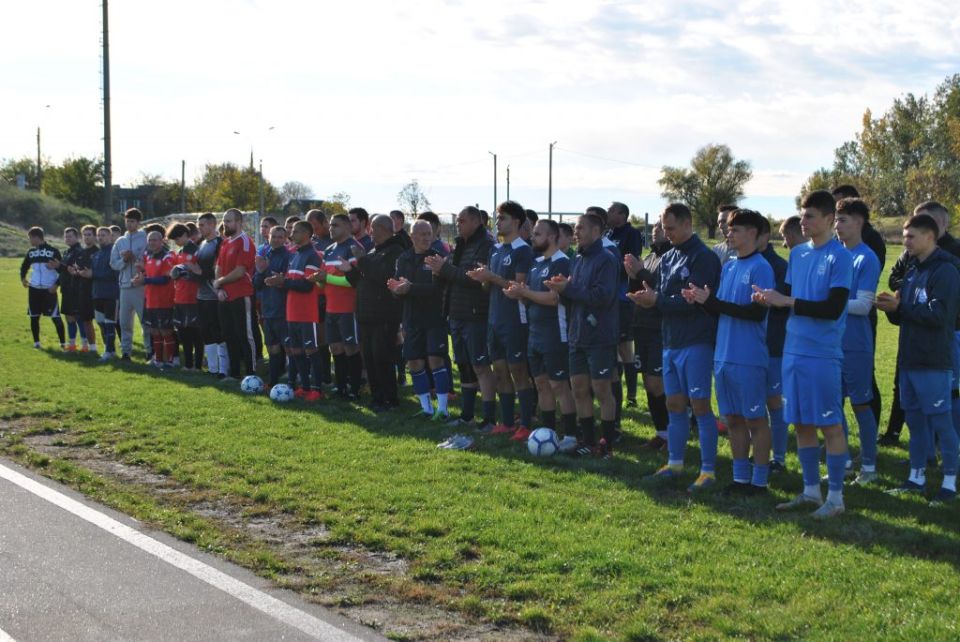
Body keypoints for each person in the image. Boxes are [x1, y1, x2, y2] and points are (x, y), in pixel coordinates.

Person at [754, 190, 853, 519]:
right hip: (793, 350)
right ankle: (811, 491)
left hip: (822, 353)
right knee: (802, 424)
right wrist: (770, 298)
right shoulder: (798, 256)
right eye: (802, 214)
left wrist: (788, 302)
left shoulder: (840, 257)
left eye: (810, 216)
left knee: (831, 426)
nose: (803, 221)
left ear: (828, 219)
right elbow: (793, 298)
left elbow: (833, 308)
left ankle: (836, 498)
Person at [683, 209, 775, 494]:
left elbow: (755, 314)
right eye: (729, 229)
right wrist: (701, 300)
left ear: (753, 233)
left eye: (735, 229)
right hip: (724, 355)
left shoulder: (762, 267)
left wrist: (714, 303)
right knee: (733, 419)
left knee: (755, 420)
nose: (729, 233)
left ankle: (760, 481)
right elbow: (721, 309)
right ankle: (740, 478)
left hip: (748, 356)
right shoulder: (731, 266)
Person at [631, 203, 721, 489]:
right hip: (669, 340)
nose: (665, 233)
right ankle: (675, 463)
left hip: (696, 340)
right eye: (663, 227)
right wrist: (647, 292)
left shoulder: (703, 258)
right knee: (674, 403)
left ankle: (708, 471)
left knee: (701, 405)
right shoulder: (668, 256)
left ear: (687, 224)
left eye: (670, 228)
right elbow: (661, 293)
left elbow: (692, 301)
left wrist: (656, 301)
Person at [877, 213, 959, 505]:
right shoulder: (912, 269)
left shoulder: (946, 271)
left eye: (911, 236)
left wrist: (903, 306)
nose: (905, 242)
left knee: (941, 421)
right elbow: (904, 316)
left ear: (929, 237)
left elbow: (939, 316)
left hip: (934, 360)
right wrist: (890, 308)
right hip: (909, 359)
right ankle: (916, 477)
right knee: (915, 421)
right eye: (904, 236)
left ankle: (950, 482)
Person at [545, 211, 619, 457]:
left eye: (581, 228)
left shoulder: (606, 259)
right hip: (577, 334)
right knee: (578, 388)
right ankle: (586, 440)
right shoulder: (576, 258)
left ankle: (607, 443)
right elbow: (575, 296)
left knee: (601, 389)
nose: (576, 233)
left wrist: (569, 288)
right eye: (576, 229)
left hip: (599, 336)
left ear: (596, 232)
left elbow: (602, 297)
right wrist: (561, 291)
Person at [503, 219, 577, 445]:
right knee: (542, 384)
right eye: (533, 234)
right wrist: (519, 294)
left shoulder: (562, 263)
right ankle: (547, 433)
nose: (532, 237)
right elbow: (533, 298)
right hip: (535, 334)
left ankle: (571, 435)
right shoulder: (535, 264)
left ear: (552, 236)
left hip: (556, 334)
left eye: (537, 234)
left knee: (559, 385)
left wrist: (525, 293)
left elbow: (554, 298)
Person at [467, 200, 536, 440]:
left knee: (518, 372)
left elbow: (519, 287)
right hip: (494, 320)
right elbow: (490, 286)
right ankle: (506, 422)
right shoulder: (496, 249)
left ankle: (525, 423)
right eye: (497, 218)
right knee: (499, 373)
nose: (498, 222)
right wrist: (483, 279)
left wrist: (492, 277)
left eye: (503, 218)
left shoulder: (523, 250)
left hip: (515, 321)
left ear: (516, 222)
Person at [427, 206, 498, 430]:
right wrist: (439, 271)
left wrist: (445, 268)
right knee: (465, 366)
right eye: (457, 221)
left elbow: (474, 278)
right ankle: (467, 416)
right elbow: (453, 275)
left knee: (481, 367)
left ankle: (488, 418)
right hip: (457, 314)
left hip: (476, 314)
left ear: (477, 222)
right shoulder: (461, 245)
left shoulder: (486, 245)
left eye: (463, 220)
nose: (459, 224)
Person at [833, 198, 881, 484]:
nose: (837, 226)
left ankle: (870, 468)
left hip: (856, 344)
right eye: (836, 220)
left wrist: (826, 304)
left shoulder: (867, 258)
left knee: (861, 405)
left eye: (843, 220)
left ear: (859, 223)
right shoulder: (834, 255)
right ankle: (844, 463)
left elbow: (864, 305)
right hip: (831, 344)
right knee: (834, 404)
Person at [392, 220, 452, 417]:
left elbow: (438, 289)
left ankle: (443, 409)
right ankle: (426, 408)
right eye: (422, 234)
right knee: (415, 361)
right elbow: (399, 288)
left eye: (429, 233)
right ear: (412, 237)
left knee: (435, 359)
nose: (427, 237)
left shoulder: (437, 257)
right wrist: (397, 291)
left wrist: (411, 288)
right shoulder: (403, 258)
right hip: (411, 319)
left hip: (434, 318)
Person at [348, 214, 407, 411]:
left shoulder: (396, 251)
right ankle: (377, 397)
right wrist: (350, 270)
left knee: (382, 357)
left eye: (373, 228)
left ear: (383, 229)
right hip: (366, 314)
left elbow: (384, 277)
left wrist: (362, 260)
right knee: (370, 358)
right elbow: (362, 281)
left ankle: (390, 399)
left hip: (384, 314)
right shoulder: (374, 251)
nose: (371, 232)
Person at [624, 220, 670, 450]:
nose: (656, 229)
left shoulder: (672, 257)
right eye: (655, 227)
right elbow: (638, 288)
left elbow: (664, 287)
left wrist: (640, 271)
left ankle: (672, 433)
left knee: (658, 383)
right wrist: (632, 275)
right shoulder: (650, 256)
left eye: (662, 226)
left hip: (659, 328)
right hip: (641, 325)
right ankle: (661, 433)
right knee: (649, 382)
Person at [269, 221, 325, 400]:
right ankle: (304, 387)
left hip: (307, 312)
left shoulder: (313, 256)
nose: (292, 234)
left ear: (308, 234)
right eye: (292, 231)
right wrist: (279, 281)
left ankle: (317, 389)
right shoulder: (294, 255)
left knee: (311, 350)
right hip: (291, 311)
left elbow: (307, 286)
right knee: (296, 351)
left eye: (297, 231)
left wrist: (283, 282)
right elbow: (291, 281)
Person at [314, 213, 363, 399]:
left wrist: (327, 278)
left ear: (348, 228)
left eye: (336, 225)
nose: (331, 228)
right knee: (335, 348)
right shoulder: (329, 250)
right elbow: (325, 281)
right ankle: (341, 386)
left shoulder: (354, 248)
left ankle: (355, 388)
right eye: (331, 225)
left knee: (351, 348)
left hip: (348, 308)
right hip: (331, 308)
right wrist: (319, 280)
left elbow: (355, 281)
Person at [606, 202, 643, 425]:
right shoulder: (609, 233)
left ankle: (630, 395)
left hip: (623, 297)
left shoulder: (631, 234)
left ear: (622, 214)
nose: (609, 214)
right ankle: (617, 390)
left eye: (612, 211)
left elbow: (631, 263)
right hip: (609, 299)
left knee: (625, 347)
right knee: (614, 349)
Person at [757, 217, 789, 473]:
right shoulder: (738, 264)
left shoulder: (780, 266)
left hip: (774, 344)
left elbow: (783, 305)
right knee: (754, 403)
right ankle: (759, 455)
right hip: (749, 346)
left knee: (774, 401)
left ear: (764, 235)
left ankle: (778, 459)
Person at [214, 208, 257, 380]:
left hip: (241, 294)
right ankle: (234, 373)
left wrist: (220, 283)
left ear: (239, 222)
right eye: (224, 221)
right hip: (224, 296)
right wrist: (219, 289)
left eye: (229, 221)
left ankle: (251, 374)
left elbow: (240, 272)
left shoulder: (245, 242)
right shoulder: (225, 242)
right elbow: (218, 267)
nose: (225, 224)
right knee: (229, 334)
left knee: (245, 336)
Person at [253, 225, 291, 389]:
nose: (276, 239)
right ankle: (273, 381)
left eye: (280, 237)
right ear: (268, 237)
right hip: (268, 310)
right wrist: (261, 271)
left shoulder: (289, 256)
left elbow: (288, 282)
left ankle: (293, 381)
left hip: (283, 310)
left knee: (290, 349)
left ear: (285, 239)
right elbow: (256, 284)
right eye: (273, 236)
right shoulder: (265, 255)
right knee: (273, 348)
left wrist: (280, 280)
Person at [192, 213, 229, 378]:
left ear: (213, 225)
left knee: (219, 332)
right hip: (201, 295)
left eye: (202, 225)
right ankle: (213, 369)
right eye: (199, 225)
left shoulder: (220, 243)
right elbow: (197, 269)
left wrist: (200, 271)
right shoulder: (201, 244)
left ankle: (224, 369)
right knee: (205, 332)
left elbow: (220, 269)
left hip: (216, 295)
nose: (199, 228)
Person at [133, 230, 176, 369]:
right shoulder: (148, 255)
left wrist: (145, 280)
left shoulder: (167, 256)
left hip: (164, 300)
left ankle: (170, 361)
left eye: (154, 240)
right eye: (150, 240)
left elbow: (165, 279)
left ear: (162, 240)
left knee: (166, 331)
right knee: (154, 331)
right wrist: (141, 276)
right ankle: (158, 360)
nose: (151, 242)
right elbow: (149, 274)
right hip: (151, 299)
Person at [110, 208, 148, 361]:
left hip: (141, 286)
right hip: (125, 286)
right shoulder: (120, 241)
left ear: (139, 223)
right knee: (124, 322)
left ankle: (150, 352)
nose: (130, 224)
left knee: (145, 321)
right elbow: (113, 263)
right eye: (127, 221)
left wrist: (135, 258)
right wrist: (124, 261)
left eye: (133, 221)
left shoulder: (145, 238)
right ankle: (126, 352)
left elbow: (148, 260)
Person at [20, 226, 66, 349]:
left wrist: (56, 285)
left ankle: (63, 344)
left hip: (49, 289)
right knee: (34, 317)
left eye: (30, 238)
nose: (30, 241)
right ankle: (36, 343)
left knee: (56, 317)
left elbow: (62, 270)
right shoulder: (30, 252)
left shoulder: (53, 251)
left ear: (36, 237)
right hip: (34, 289)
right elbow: (24, 266)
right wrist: (23, 278)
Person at [168, 223, 204, 371]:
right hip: (180, 298)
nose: (176, 242)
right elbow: (174, 274)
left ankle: (197, 365)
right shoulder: (179, 252)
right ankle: (188, 364)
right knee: (183, 333)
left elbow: (202, 274)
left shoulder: (197, 251)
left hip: (194, 298)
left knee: (196, 333)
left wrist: (190, 272)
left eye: (177, 238)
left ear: (185, 234)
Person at [90, 226, 119, 362]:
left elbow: (114, 274)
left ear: (110, 236)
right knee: (101, 323)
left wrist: (93, 274)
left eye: (103, 235)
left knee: (109, 324)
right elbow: (92, 273)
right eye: (99, 235)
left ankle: (108, 351)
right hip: (97, 294)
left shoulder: (114, 252)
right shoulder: (96, 254)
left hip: (111, 294)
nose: (100, 237)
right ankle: (110, 350)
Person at [58, 227, 88, 351]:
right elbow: (64, 270)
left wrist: (62, 266)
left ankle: (85, 345)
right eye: (66, 236)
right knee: (69, 317)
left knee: (79, 317)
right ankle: (72, 344)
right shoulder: (66, 252)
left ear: (77, 237)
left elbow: (76, 270)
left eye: (70, 236)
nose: (67, 238)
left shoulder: (80, 251)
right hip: (66, 290)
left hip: (76, 290)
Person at [73, 225, 99, 353]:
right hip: (83, 291)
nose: (87, 237)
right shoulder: (80, 253)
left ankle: (110, 349)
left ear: (95, 236)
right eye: (85, 235)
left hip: (97, 291)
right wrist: (75, 271)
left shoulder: (98, 252)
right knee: (86, 320)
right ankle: (92, 347)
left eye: (89, 234)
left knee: (103, 322)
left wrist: (91, 273)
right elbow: (79, 270)